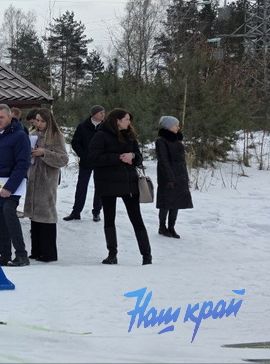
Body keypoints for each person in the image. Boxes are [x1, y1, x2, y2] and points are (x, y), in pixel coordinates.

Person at [88, 108, 152, 265]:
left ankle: (147, 256)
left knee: (136, 219)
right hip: (107, 183)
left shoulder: (130, 136)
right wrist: (118, 158)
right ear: (117, 121)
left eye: (129, 119)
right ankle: (112, 254)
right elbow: (94, 158)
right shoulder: (101, 135)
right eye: (126, 119)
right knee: (109, 219)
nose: (129, 122)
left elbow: (139, 157)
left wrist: (133, 157)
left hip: (128, 183)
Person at [0, 103, 31, 267]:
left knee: (9, 213)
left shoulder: (19, 136)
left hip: (12, 184)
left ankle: (21, 255)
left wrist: (10, 187)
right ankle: (5, 255)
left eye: (2, 117)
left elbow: (22, 164)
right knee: (0, 220)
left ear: (10, 117)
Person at [24, 108, 69, 262]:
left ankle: (49, 253)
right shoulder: (33, 135)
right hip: (33, 177)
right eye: (37, 120)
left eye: (43, 121)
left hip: (47, 179)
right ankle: (36, 250)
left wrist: (44, 153)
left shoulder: (56, 136)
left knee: (46, 214)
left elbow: (63, 159)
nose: (39, 124)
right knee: (34, 215)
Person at [65, 105, 106, 222]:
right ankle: (76, 212)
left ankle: (96, 212)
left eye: (104, 113)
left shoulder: (106, 127)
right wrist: (83, 155)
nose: (103, 115)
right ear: (94, 114)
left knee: (99, 188)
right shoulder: (83, 126)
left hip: (100, 162)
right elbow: (75, 142)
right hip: (86, 162)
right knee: (81, 187)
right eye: (100, 113)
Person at [155, 115, 193, 239]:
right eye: (175, 125)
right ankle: (162, 227)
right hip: (167, 175)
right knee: (166, 202)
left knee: (176, 202)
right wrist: (170, 177)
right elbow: (164, 160)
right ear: (168, 126)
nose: (178, 127)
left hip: (180, 174)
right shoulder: (161, 141)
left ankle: (171, 227)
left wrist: (183, 175)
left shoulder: (177, 140)